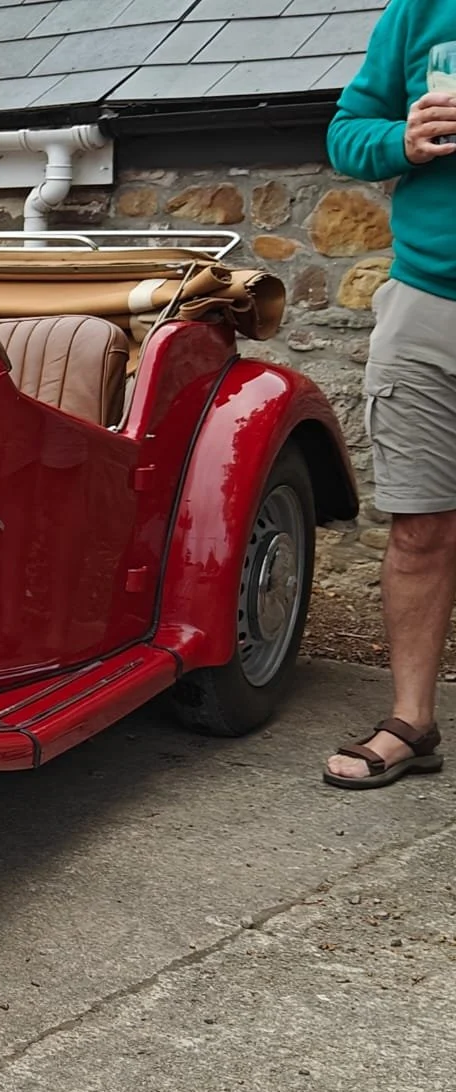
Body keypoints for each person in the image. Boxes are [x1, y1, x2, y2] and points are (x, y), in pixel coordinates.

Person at [325, 0, 456, 788]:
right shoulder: (420, 9)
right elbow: (347, 132)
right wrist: (399, 140)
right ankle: (413, 720)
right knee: (418, 528)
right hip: (424, 305)